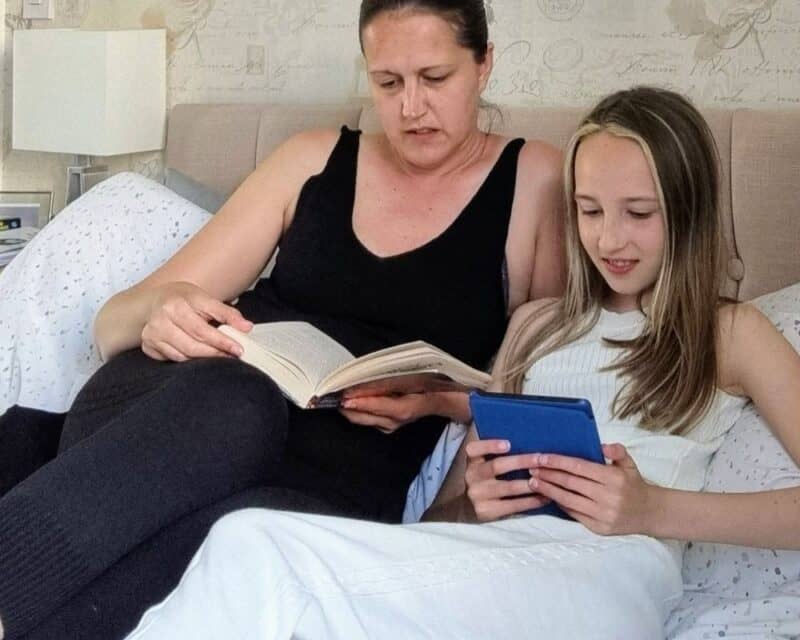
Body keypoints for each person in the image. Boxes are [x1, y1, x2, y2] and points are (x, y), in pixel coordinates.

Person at [121, 86, 799, 640]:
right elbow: (439, 525)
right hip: (493, 562)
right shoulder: (539, 326)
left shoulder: (730, 332)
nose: (609, 239)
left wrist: (653, 508)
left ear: (687, 211)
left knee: (255, 552)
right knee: (251, 554)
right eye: (589, 211)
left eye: (640, 213)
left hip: (608, 572)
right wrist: (473, 506)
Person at [0, 2, 565, 639]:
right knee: (238, 404)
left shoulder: (534, 180)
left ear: (484, 65)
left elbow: (546, 395)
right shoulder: (315, 159)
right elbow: (112, 325)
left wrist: (439, 403)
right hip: (177, 421)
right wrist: (160, 313)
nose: (411, 107)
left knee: (244, 542)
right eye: (387, 82)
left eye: (435, 79)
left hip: (330, 485)